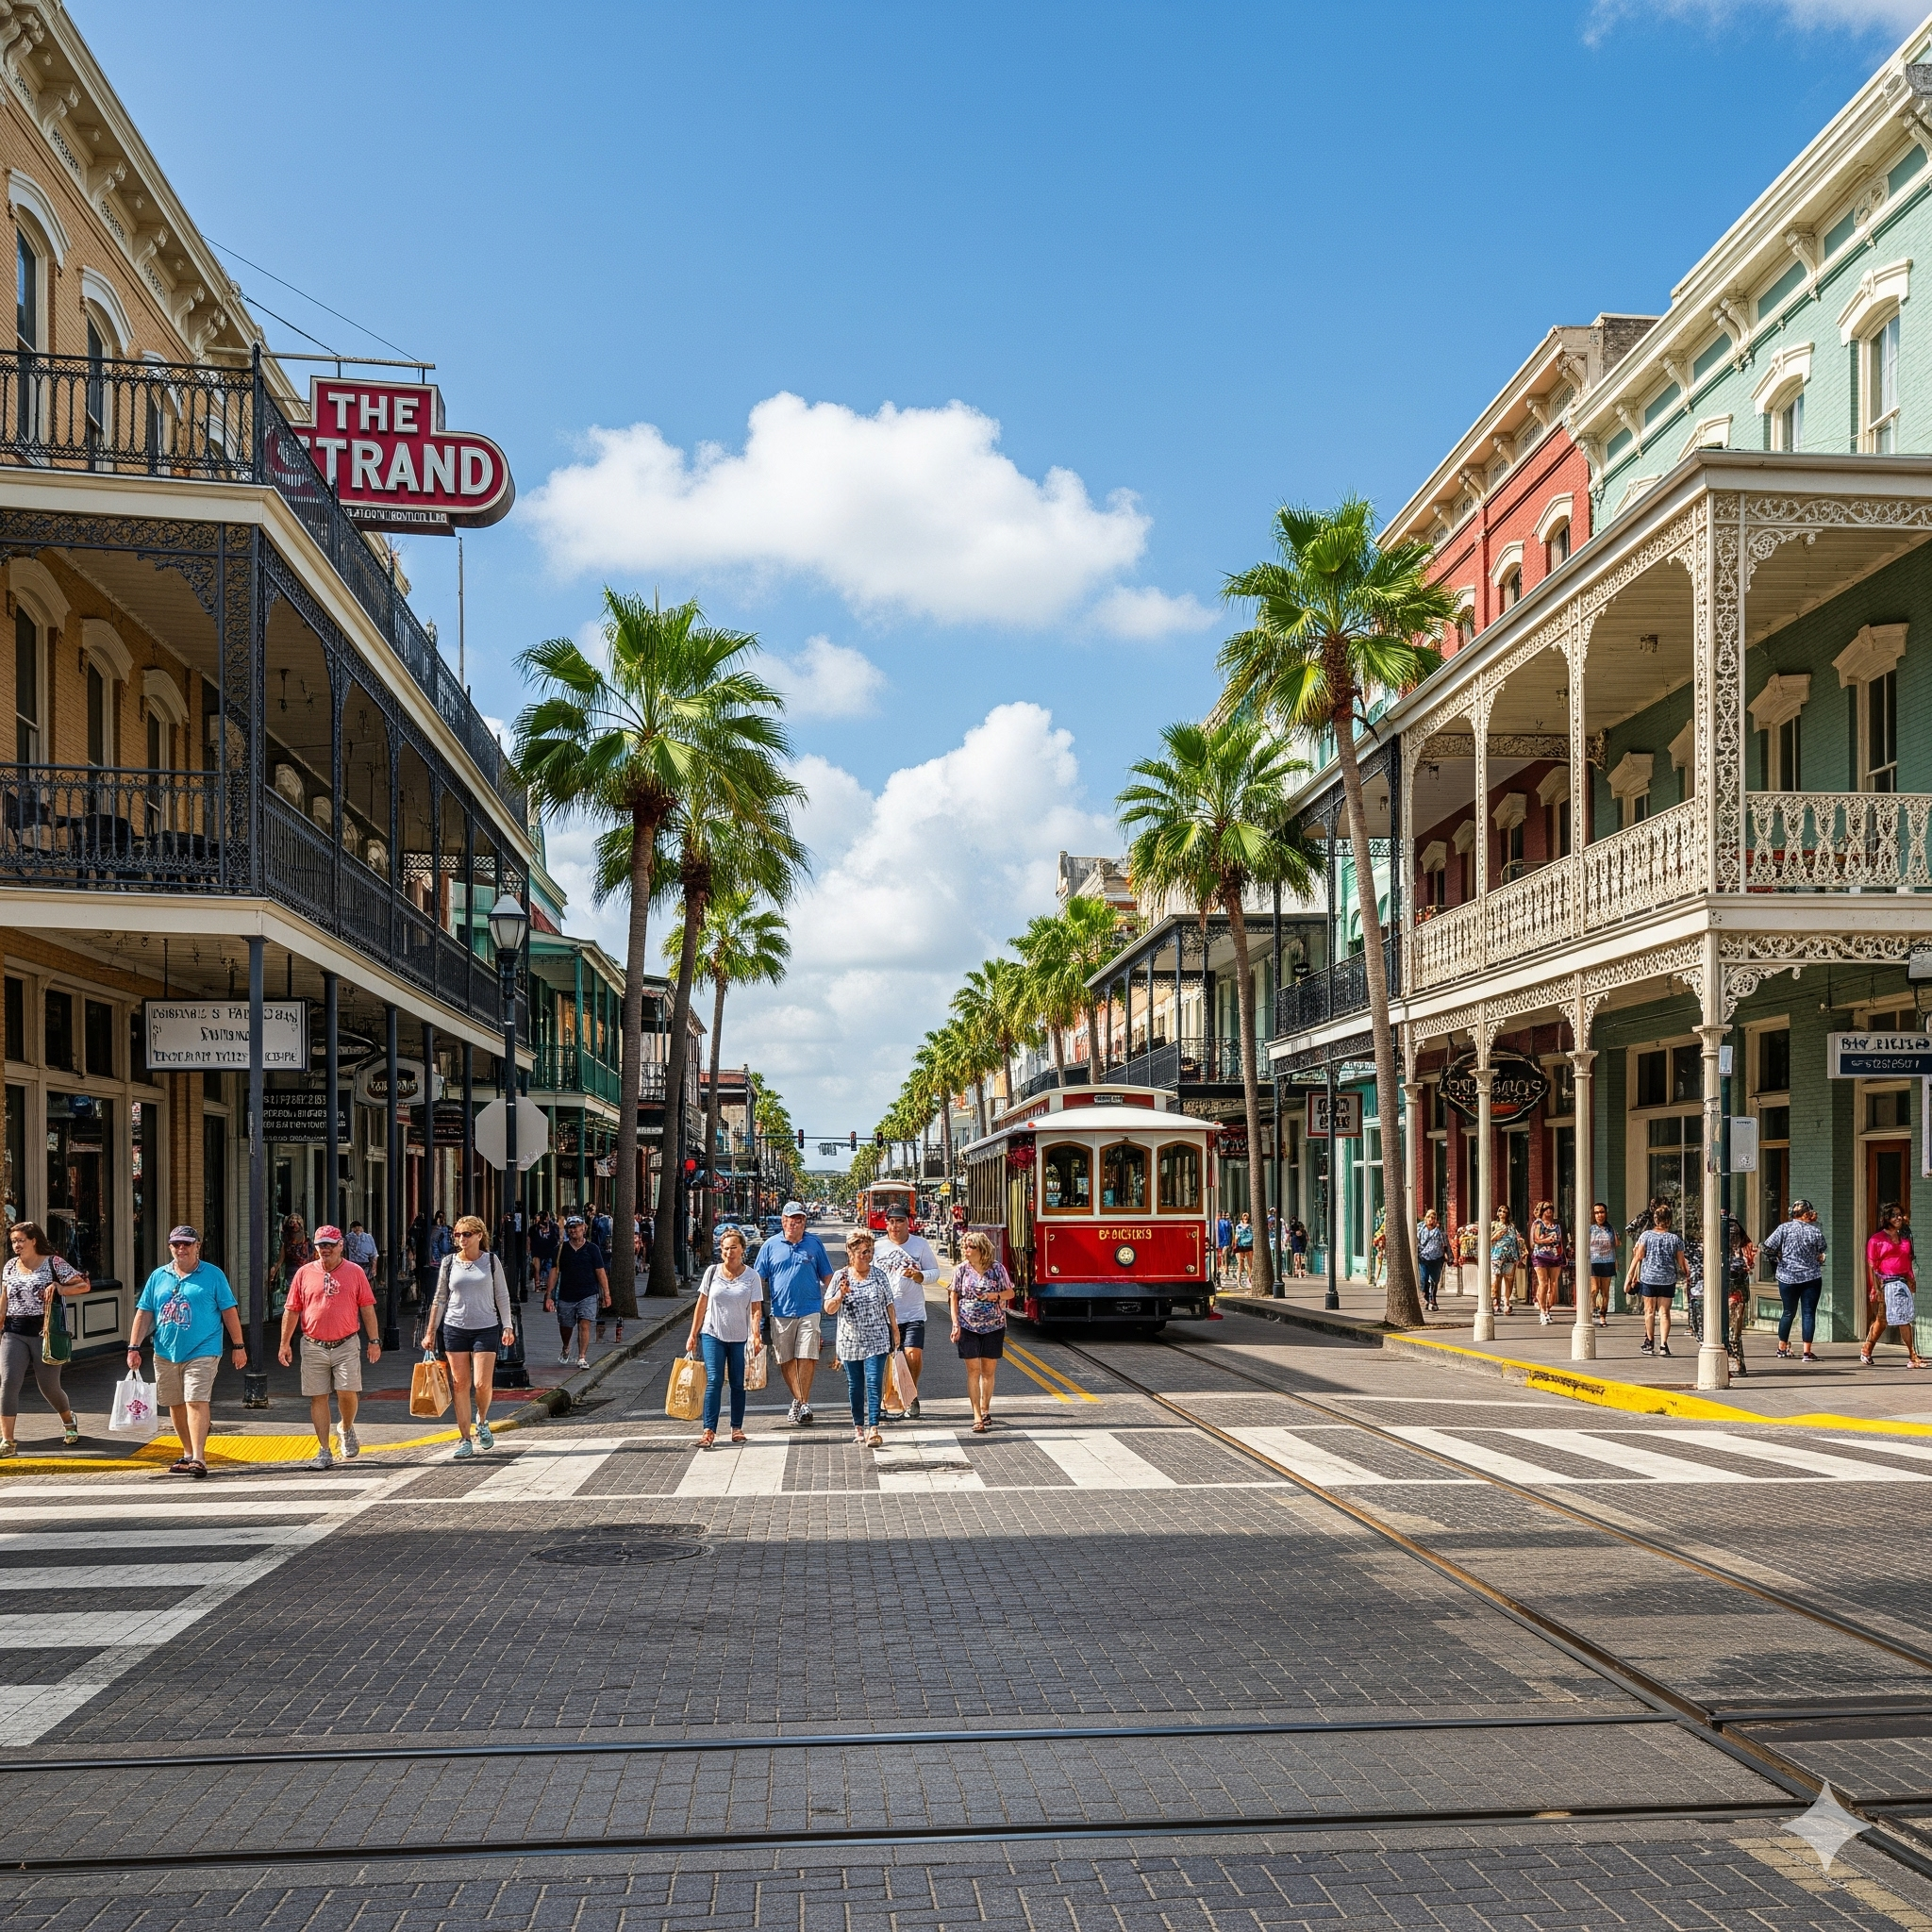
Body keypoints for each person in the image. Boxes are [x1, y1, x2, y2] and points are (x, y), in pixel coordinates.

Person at [130, 1226, 244, 1478]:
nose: (181, 1249)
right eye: (176, 1244)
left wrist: (238, 1346)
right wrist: (134, 1346)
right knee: (175, 1402)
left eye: (186, 1244)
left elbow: (229, 1311)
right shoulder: (158, 1276)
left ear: (197, 1246)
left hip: (203, 1348)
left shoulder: (213, 1275)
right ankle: (188, 1452)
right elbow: (145, 1312)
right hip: (165, 1351)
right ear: (170, 1247)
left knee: (195, 1399)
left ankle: (199, 1457)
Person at [278, 1224, 380, 1470]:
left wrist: (374, 1341)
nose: (325, 1250)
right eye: (320, 1245)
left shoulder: (355, 1272)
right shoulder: (304, 1274)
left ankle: (345, 1426)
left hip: (346, 1342)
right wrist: (284, 1343)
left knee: (347, 1391)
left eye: (330, 1245)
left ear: (340, 1246)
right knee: (318, 1397)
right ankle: (324, 1449)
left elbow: (367, 1307)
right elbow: (292, 1309)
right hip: (313, 1344)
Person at [423, 1214, 516, 1458]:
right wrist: (430, 1331)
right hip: (454, 1327)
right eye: (457, 1234)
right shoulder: (449, 1263)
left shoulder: (491, 1262)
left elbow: (502, 1297)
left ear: (479, 1235)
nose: (461, 1239)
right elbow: (439, 1298)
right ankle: (465, 1438)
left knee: (482, 1384)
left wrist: (507, 1326)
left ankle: (482, 1420)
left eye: (466, 1234)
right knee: (459, 1384)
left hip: (486, 1326)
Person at [1, 1220, 88, 1455]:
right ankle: (8, 1441)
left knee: (48, 1386)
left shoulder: (53, 1263)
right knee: (8, 1383)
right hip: (13, 1331)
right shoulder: (10, 1266)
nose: (16, 1245)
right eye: (13, 1242)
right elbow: (4, 1300)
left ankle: (69, 1420)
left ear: (33, 1240)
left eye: (20, 1240)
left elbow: (83, 1285)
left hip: (45, 1331)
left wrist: (60, 1288)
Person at [685, 1227, 765, 1448]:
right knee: (714, 1380)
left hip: (739, 1336)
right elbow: (701, 1304)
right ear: (721, 1251)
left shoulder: (751, 1276)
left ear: (742, 1250)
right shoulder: (712, 1272)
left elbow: (756, 1309)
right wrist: (693, 1334)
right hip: (712, 1333)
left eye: (734, 1248)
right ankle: (708, 1431)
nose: (729, 1252)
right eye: (725, 1248)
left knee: (738, 1383)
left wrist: (756, 1335)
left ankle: (736, 1428)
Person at [756, 1201, 833, 1426]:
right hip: (780, 1312)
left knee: (807, 1356)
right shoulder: (770, 1246)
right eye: (791, 1218)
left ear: (804, 1222)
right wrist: (754, 1311)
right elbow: (758, 1280)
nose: (795, 1223)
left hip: (810, 1309)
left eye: (799, 1219)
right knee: (786, 1360)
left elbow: (828, 1276)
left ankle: (804, 1402)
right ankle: (798, 1401)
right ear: (783, 1221)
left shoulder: (814, 1244)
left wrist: (838, 1299)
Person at [824, 1227, 899, 1448]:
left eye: (870, 1251)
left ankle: (873, 1428)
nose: (867, 1256)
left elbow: (889, 1304)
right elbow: (828, 1308)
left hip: (876, 1338)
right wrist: (841, 1294)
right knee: (855, 1385)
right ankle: (859, 1426)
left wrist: (895, 1330)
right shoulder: (841, 1277)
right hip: (850, 1341)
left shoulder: (879, 1275)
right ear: (850, 1252)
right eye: (863, 1252)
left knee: (874, 1383)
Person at [877, 1205, 940, 1421]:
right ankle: (886, 1400)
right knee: (886, 1360)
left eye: (900, 1221)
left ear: (908, 1223)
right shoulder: (877, 1247)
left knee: (913, 1355)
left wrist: (919, 1275)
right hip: (884, 1315)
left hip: (913, 1314)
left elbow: (934, 1272)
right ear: (886, 1223)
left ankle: (911, 1395)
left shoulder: (920, 1245)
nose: (895, 1226)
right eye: (891, 1221)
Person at [950, 1230, 1012, 1433]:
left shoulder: (997, 1269)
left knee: (988, 1371)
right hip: (967, 1326)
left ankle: (985, 1408)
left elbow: (1010, 1292)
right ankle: (977, 1415)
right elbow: (954, 1296)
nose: (966, 1250)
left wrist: (996, 1295)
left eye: (970, 1246)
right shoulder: (961, 1270)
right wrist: (955, 1324)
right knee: (973, 1371)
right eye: (965, 1246)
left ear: (981, 1249)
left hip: (994, 1326)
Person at [1764, 1198, 1828, 1364]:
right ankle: (1807, 1352)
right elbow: (1821, 1249)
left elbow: (1767, 1247)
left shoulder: (1783, 1229)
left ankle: (1782, 1347)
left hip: (1787, 1277)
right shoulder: (1815, 1231)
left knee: (1788, 1312)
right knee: (1808, 1313)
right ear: (1807, 1214)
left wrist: (1778, 1260)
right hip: (1811, 1277)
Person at [543, 1214, 609, 1370]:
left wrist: (606, 1293)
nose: (573, 1230)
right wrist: (549, 1295)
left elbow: (600, 1272)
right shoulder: (561, 1249)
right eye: (570, 1228)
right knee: (566, 1326)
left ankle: (582, 1357)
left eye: (576, 1227)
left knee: (584, 1323)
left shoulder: (592, 1249)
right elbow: (554, 1272)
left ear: (584, 1228)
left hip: (588, 1293)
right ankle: (566, 1346)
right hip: (567, 1295)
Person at [1864, 1201, 1924, 1369]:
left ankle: (1866, 1349)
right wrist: (1875, 1289)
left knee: (1883, 1320)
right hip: (1886, 1284)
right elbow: (1871, 1266)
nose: (1898, 1218)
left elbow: (1907, 1261)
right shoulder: (1876, 1240)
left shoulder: (1905, 1239)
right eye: (1894, 1215)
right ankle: (1912, 1355)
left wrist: (1912, 1279)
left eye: (1900, 1214)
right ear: (1886, 1218)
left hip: (1902, 1283)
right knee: (1900, 1319)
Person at [1625, 1203, 1689, 1357]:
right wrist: (1688, 1274)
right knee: (1665, 1313)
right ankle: (1663, 1345)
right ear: (1669, 1220)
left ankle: (1650, 1341)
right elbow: (1681, 1262)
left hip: (1649, 1278)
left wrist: (1630, 1276)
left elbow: (1638, 1257)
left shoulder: (1645, 1236)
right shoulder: (1675, 1239)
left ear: (1655, 1220)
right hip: (1668, 1279)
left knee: (1649, 1311)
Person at [1529, 1202, 1564, 1325]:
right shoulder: (1538, 1223)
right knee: (1543, 1283)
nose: (1549, 1211)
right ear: (1542, 1211)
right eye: (1546, 1209)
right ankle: (1542, 1310)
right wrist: (1546, 1240)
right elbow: (1536, 1240)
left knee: (1553, 1285)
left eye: (1551, 1208)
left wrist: (1562, 1253)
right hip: (1540, 1256)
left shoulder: (1557, 1226)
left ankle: (1548, 1308)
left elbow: (1560, 1241)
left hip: (1555, 1256)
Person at [275, 1213, 313, 1319]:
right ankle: (295, 1315)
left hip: (305, 1270)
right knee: (293, 1294)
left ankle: (304, 1315)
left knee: (304, 1293)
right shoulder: (286, 1241)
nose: (294, 1223)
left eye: (297, 1220)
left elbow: (312, 1256)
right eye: (292, 1220)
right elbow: (281, 1258)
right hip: (291, 1270)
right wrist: (275, 1270)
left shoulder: (306, 1239)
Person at [1586, 1204, 1617, 1327]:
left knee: (1605, 1291)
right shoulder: (1590, 1229)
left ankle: (1603, 1316)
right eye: (1597, 1212)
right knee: (1594, 1289)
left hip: (1608, 1261)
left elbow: (1616, 1244)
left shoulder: (1610, 1228)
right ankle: (1593, 1308)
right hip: (1594, 1261)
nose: (1599, 1215)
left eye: (1602, 1212)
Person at [1489, 1208, 1523, 1317]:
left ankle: (1507, 1302)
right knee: (1496, 1279)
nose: (1502, 1213)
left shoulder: (1512, 1227)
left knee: (1509, 1280)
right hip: (1496, 1256)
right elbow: (1488, 1239)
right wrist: (1497, 1234)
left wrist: (1518, 1257)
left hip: (1510, 1257)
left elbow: (1516, 1241)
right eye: (1500, 1211)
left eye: (1505, 1211)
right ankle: (1495, 1301)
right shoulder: (1494, 1225)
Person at [1416, 1208, 1446, 1313]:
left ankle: (1433, 1300)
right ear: (1425, 1218)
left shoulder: (1439, 1230)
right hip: (1423, 1258)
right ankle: (1426, 1297)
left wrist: (1448, 1255)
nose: (1431, 1220)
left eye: (1433, 1218)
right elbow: (1415, 1240)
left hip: (1437, 1258)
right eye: (1429, 1217)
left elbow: (1445, 1243)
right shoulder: (1420, 1227)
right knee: (1424, 1279)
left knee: (1434, 1280)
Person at [1215, 1210, 1233, 1283]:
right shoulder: (1215, 1223)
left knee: (1224, 1256)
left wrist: (1230, 1243)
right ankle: (1223, 1270)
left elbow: (1230, 1233)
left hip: (1224, 1242)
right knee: (1221, 1257)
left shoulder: (1225, 1223)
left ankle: (1225, 1269)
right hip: (1218, 1243)